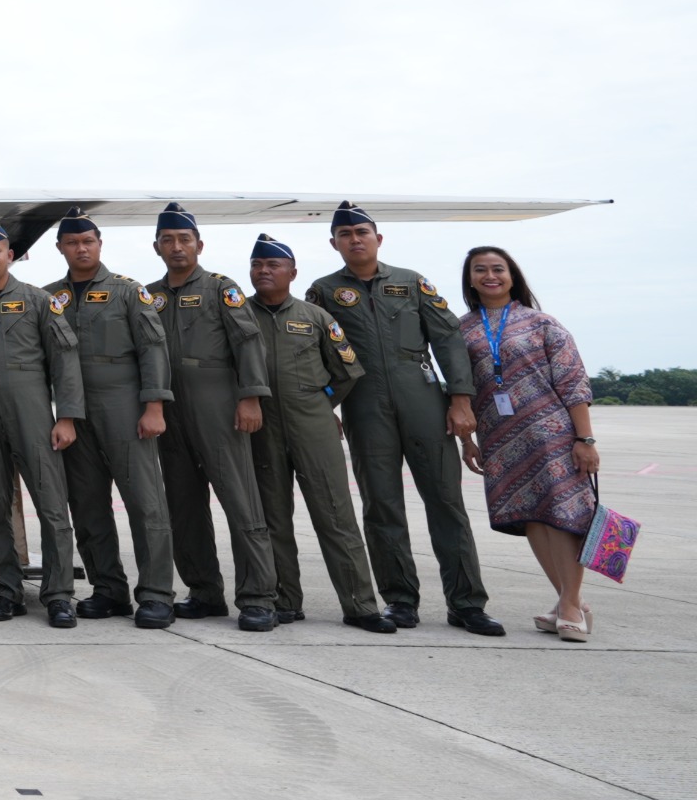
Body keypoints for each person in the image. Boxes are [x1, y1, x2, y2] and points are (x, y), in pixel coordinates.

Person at [309, 203, 500, 634]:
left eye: (362, 231)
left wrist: (461, 399)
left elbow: (448, 340)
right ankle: (400, 600)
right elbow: (316, 355)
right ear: (334, 243)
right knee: (381, 506)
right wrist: (327, 404)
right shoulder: (323, 291)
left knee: (446, 503)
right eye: (345, 234)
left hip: (423, 401)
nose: (355, 239)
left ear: (379, 238)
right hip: (364, 404)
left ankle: (467, 603)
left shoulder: (410, 283)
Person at [246, 237, 394, 633]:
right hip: (260, 427)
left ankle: (361, 604)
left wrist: (320, 401)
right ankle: (283, 601)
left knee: (335, 514)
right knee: (272, 517)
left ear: (292, 273)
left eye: (274, 265)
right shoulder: (238, 314)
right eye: (257, 264)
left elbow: (346, 370)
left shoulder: (315, 316)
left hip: (311, 421)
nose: (264, 271)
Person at [457, 247, 601, 642]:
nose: (490, 276)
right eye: (480, 270)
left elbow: (573, 382)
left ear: (512, 275)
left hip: (552, 432)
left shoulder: (541, 323)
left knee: (565, 516)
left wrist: (584, 439)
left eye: (498, 269)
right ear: (470, 279)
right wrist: (467, 440)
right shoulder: (461, 328)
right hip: (500, 437)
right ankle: (567, 600)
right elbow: (459, 389)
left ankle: (571, 605)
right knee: (533, 516)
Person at [43, 211, 175, 627]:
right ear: (61, 248)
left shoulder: (127, 292)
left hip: (123, 404)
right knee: (87, 505)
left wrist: (154, 406)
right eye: (72, 243)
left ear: (100, 245)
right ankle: (108, 589)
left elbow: (153, 347)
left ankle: (156, 594)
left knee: (145, 503)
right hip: (72, 410)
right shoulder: (47, 298)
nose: (81, 249)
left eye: (88, 241)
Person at [0, 219, 83, 627]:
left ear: (10, 255)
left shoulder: (38, 300)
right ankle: (6, 591)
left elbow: (64, 359)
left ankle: (59, 594)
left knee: (51, 505)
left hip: (34, 416)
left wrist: (68, 417)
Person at [151, 204, 279, 632]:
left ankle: (259, 597)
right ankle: (204, 591)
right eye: (168, 240)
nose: (177, 247)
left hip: (219, 407)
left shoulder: (221, 289)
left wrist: (251, 398)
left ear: (199, 245)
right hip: (171, 413)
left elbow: (248, 343)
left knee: (242, 503)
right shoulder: (148, 295)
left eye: (184, 239)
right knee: (183, 508)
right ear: (157, 247)